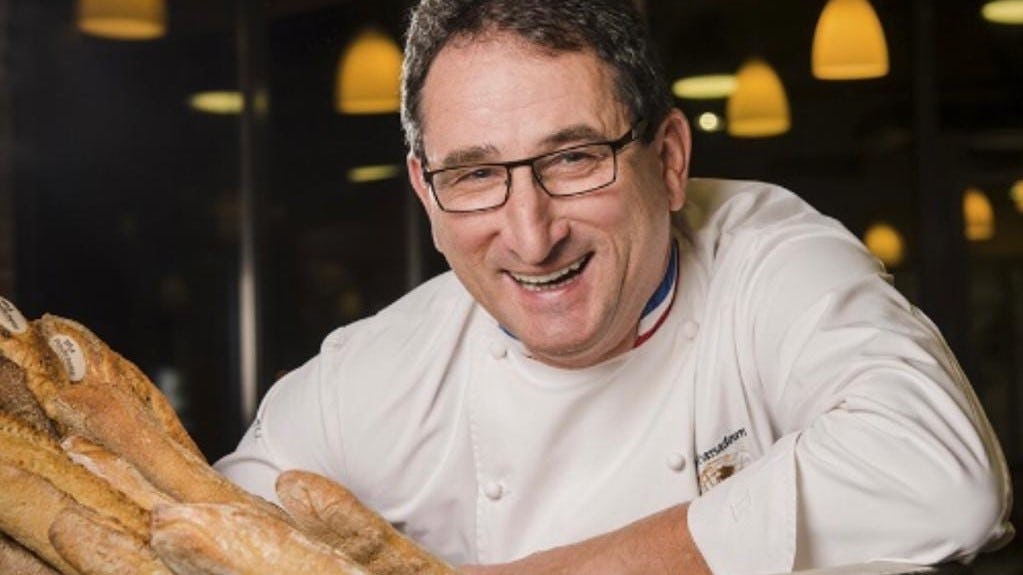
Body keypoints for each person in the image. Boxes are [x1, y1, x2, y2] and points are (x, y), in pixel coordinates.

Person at [215, 0, 1014, 572]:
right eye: (475, 175)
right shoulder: (369, 375)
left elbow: (942, 477)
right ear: (427, 193)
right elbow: (203, 532)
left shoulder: (767, 258)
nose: (531, 235)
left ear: (667, 160)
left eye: (573, 158)